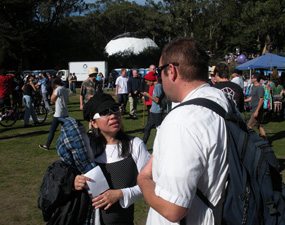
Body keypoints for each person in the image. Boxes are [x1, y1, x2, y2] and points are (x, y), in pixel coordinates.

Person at [137, 38, 230, 224]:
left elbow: (173, 209)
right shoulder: (222, 101)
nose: (159, 79)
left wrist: (143, 179)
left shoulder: (182, 121)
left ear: (172, 71)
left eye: (160, 73)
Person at [75, 92, 150, 225]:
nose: (113, 115)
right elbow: (64, 180)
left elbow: (149, 184)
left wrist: (121, 194)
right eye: (104, 112)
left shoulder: (135, 145)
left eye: (115, 109)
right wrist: (75, 181)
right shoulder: (85, 148)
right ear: (93, 123)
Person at [39, 78, 69, 150]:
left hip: (58, 113)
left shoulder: (58, 89)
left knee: (52, 130)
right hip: (65, 112)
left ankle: (47, 145)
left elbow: (52, 98)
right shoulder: (65, 89)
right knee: (65, 131)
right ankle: (67, 145)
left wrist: (53, 90)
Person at [141, 71, 163, 144]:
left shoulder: (158, 86)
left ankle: (160, 145)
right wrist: (151, 107)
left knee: (159, 130)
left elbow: (157, 100)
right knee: (147, 128)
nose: (147, 84)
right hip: (153, 110)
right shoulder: (156, 86)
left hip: (157, 112)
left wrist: (147, 95)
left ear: (151, 80)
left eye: (147, 82)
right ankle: (143, 144)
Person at [244, 72, 267, 140]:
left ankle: (249, 140)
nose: (251, 79)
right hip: (254, 108)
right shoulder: (253, 87)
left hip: (257, 109)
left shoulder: (259, 87)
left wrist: (257, 111)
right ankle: (265, 140)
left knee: (249, 126)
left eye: (252, 77)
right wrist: (244, 101)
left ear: (256, 79)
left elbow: (261, 100)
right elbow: (252, 98)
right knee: (259, 126)